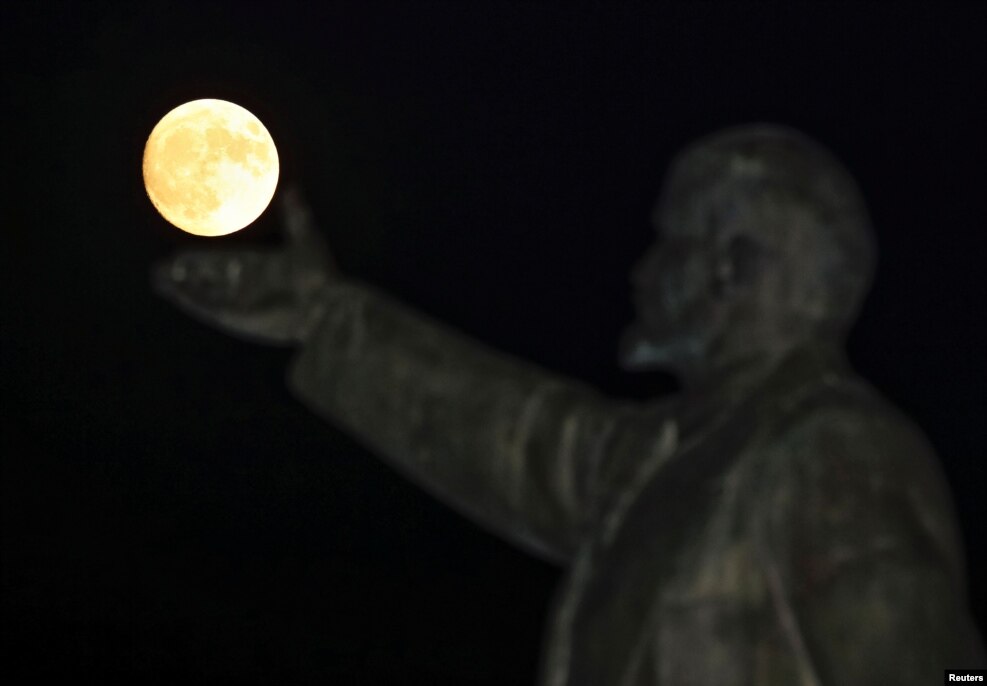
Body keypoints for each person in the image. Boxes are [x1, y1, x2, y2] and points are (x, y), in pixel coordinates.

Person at [153, 124, 984, 684]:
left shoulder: (830, 453)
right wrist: (325, 317)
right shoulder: (681, 454)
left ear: (731, 267)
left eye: (666, 243)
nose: (639, 272)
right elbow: (521, 436)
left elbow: (938, 673)